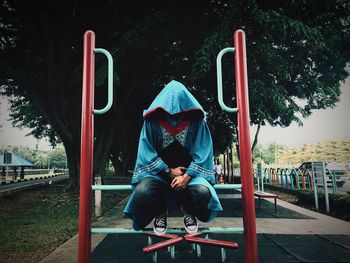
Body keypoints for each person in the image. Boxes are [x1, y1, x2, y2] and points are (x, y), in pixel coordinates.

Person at [123, 80, 222, 235]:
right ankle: (159, 212)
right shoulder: (151, 122)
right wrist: (169, 171)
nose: (174, 113)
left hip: (190, 173)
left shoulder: (197, 122)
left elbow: (203, 152)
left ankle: (189, 211)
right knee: (142, 192)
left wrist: (187, 177)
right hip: (158, 173)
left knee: (203, 192)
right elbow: (145, 152)